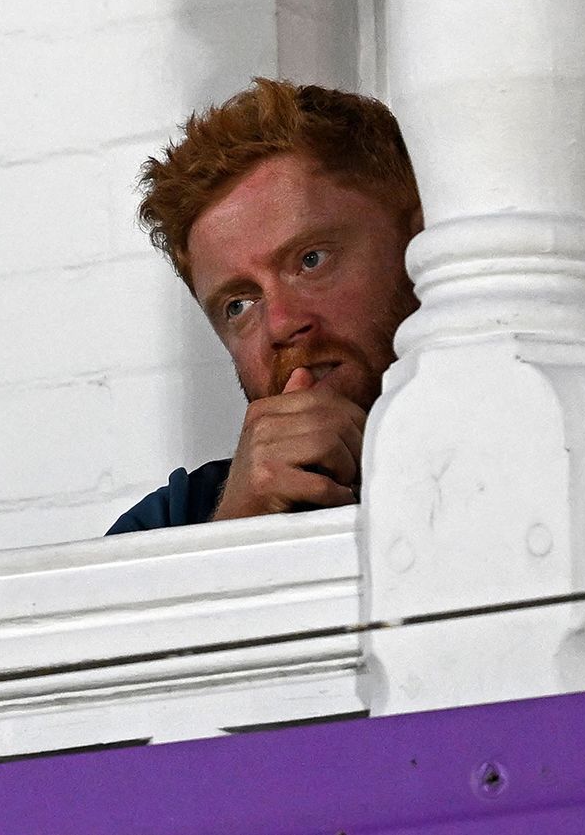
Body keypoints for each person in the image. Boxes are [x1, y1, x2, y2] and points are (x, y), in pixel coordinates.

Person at [106, 78, 423, 535]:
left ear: (418, 243)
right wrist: (240, 527)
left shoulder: (548, 434)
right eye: (239, 305)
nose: (280, 324)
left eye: (310, 261)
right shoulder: (169, 525)